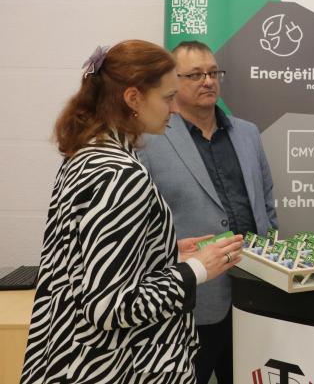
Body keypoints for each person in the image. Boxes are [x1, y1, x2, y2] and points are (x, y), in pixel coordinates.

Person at [21, 40, 244, 384]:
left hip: (72, 357)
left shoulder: (86, 155)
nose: (174, 109)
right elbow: (110, 306)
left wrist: (165, 254)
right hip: (114, 366)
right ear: (133, 98)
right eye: (167, 98)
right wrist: (197, 269)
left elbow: (89, 262)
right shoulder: (120, 173)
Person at [139, 40, 277, 384]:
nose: (208, 81)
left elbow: (266, 202)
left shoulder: (247, 133)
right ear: (173, 82)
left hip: (254, 293)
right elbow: (143, 222)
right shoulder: (149, 140)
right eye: (195, 75)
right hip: (192, 301)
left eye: (214, 73)